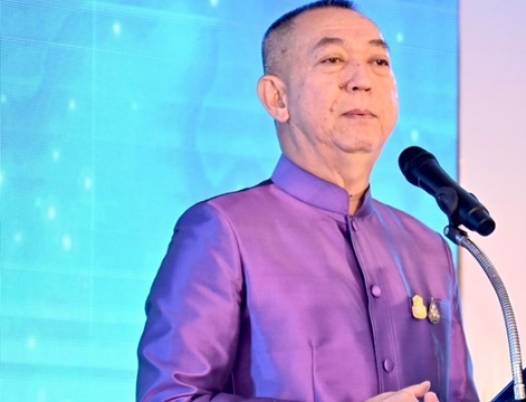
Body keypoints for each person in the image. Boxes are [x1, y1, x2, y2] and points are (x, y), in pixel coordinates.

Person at [136, 1, 479, 401]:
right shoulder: (222, 231)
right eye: (333, 59)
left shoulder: (428, 248)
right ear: (277, 98)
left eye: (379, 62)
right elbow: (170, 396)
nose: (362, 80)